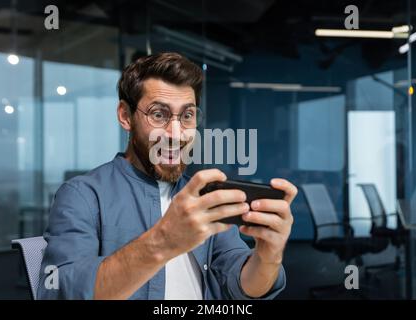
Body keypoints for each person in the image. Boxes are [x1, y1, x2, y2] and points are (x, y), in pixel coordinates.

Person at [37, 52, 297, 300]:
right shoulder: (83, 196)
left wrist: (268, 256)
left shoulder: (203, 197)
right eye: (158, 114)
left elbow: (242, 285)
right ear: (125, 116)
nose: (176, 133)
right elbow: (62, 290)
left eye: (187, 115)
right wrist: (163, 241)